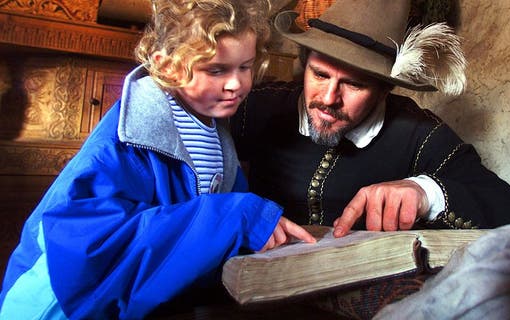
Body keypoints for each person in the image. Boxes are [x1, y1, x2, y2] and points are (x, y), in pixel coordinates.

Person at [0, 0, 316, 319]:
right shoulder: (124, 138)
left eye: (245, 67)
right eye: (216, 70)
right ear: (167, 66)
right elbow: (90, 252)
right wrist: (238, 216)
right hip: (54, 307)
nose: (236, 84)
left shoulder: (214, 128)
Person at [231, 0, 510, 238]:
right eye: (320, 75)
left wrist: (426, 194)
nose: (328, 98)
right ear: (305, 64)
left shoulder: (419, 134)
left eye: (354, 84)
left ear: (384, 89)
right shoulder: (256, 106)